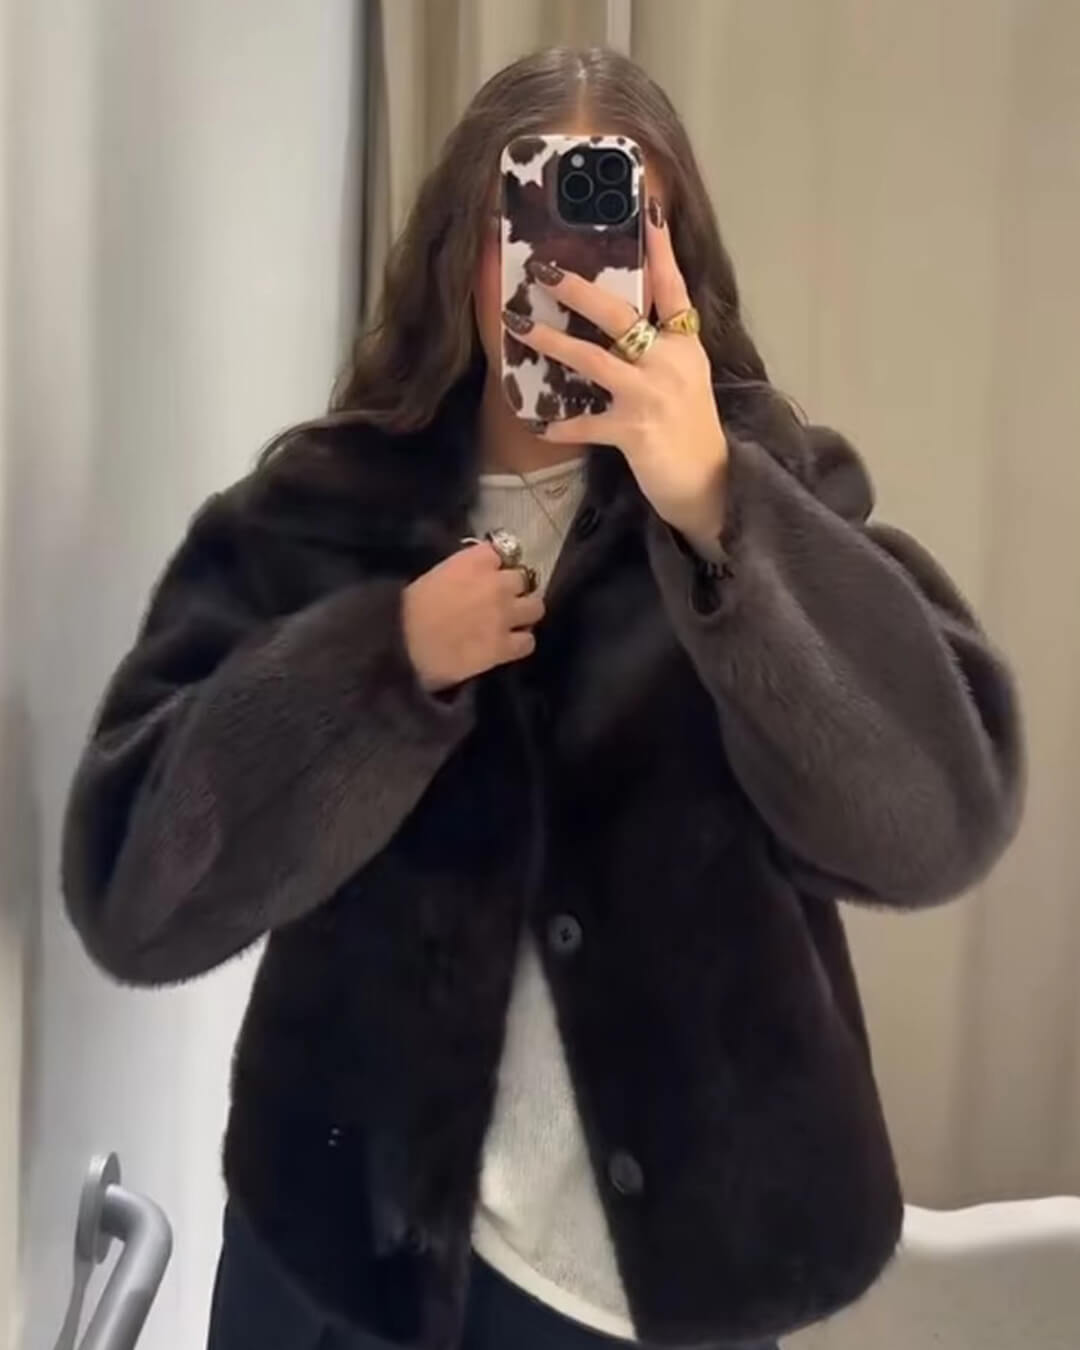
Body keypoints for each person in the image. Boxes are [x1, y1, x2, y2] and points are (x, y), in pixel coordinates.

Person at [60, 45, 1023, 1350]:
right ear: (467, 249)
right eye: (528, 219)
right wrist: (385, 662)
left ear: (672, 259)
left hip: (647, 1298)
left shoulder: (774, 500)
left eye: (618, 221)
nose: (568, 270)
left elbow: (941, 821)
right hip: (339, 1270)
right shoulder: (317, 513)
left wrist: (717, 511)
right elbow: (134, 888)